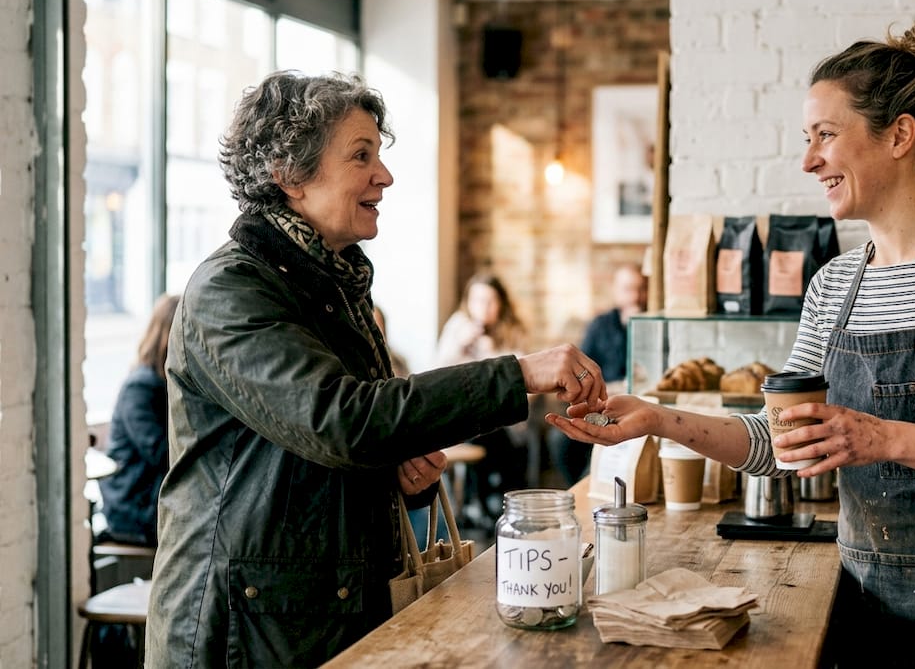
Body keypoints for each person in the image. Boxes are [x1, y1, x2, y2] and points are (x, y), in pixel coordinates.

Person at [549, 20, 915, 667]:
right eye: (808, 139)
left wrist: (882, 438)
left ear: (900, 135)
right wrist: (656, 419)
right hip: (863, 598)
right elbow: (776, 444)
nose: (808, 160)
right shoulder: (835, 284)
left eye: (826, 135)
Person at [146, 70, 605, 668]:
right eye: (361, 155)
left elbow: (332, 445)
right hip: (240, 631)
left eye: (379, 155)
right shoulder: (230, 289)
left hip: (313, 614)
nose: (383, 176)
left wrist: (392, 470)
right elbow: (342, 421)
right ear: (289, 173)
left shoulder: (337, 282)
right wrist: (517, 373)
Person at [432, 272, 532, 517]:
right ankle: (489, 504)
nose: (483, 308)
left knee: (502, 438)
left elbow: (523, 380)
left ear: (501, 303)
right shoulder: (458, 326)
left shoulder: (512, 330)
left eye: (490, 301)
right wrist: (460, 345)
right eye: (477, 301)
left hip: (502, 418)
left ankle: (499, 503)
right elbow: (435, 375)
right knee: (488, 435)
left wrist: (494, 357)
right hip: (464, 415)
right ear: (468, 302)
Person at [549, 262, 647, 485]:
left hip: (637, 405)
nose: (634, 296)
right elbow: (580, 369)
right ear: (615, 291)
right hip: (601, 402)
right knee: (560, 440)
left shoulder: (652, 325)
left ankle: (594, 482)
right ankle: (578, 488)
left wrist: (636, 326)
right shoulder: (600, 325)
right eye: (627, 289)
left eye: (640, 288)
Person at [97, 293, 179, 546]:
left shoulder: (160, 383)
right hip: (133, 505)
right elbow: (162, 453)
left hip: (148, 496)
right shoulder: (141, 387)